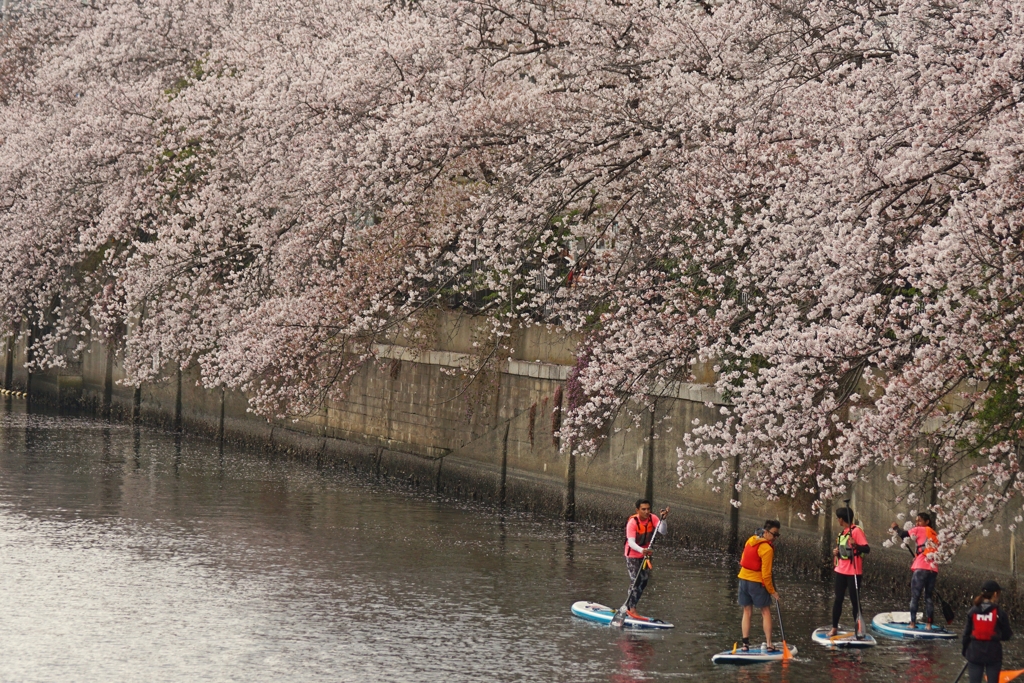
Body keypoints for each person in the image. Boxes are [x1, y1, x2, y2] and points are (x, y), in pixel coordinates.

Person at [736, 520, 782, 651]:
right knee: (766, 612)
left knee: (747, 611)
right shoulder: (767, 549)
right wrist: (773, 592)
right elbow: (766, 575)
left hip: (743, 580)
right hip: (756, 583)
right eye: (774, 534)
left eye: (777, 535)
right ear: (766, 532)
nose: (775, 538)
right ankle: (769, 644)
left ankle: (745, 645)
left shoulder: (750, 540)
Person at [890, 512, 939, 628]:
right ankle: (929, 625)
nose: (917, 523)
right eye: (916, 521)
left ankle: (912, 623)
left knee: (915, 596)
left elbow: (904, 535)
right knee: (928, 597)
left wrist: (895, 528)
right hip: (933, 568)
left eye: (919, 521)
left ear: (927, 522)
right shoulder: (934, 534)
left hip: (921, 567)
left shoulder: (920, 529)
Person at [623, 499, 669, 619]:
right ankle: (631, 608)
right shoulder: (633, 522)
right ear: (637, 510)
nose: (646, 511)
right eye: (643, 509)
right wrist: (641, 550)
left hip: (646, 555)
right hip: (633, 555)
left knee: (643, 582)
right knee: (635, 580)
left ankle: (629, 606)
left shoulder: (653, 518)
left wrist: (663, 520)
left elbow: (663, 531)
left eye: (648, 509)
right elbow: (631, 542)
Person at [828, 506, 869, 638]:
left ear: (841, 519)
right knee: (838, 599)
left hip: (854, 572)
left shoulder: (856, 531)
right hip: (841, 570)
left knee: (855, 601)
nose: (837, 520)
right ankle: (834, 627)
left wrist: (856, 544)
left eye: (838, 518)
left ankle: (859, 629)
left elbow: (867, 549)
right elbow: (843, 550)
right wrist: (836, 552)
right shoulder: (843, 533)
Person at [962, 580, 1012, 683]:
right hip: (993, 653)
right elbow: (1007, 635)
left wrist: (965, 651)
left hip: (975, 653)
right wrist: (997, 635)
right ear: (995, 594)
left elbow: (966, 635)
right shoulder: (1000, 613)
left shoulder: (972, 611)